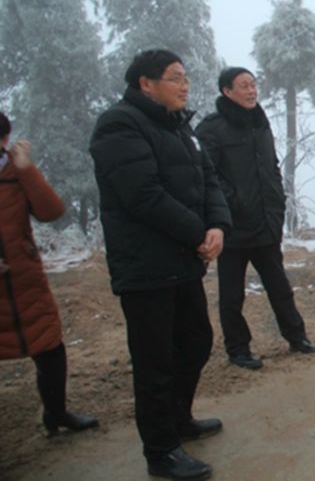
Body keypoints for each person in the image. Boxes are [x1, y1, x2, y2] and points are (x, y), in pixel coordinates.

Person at [90, 50, 232, 480]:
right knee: (155, 361)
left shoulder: (178, 126)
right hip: (145, 265)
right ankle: (161, 451)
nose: (185, 85)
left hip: (182, 259)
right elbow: (143, 195)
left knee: (196, 341)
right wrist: (198, 233)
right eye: (175, 78)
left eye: (186, 77)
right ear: (146, 84)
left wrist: (217, 226)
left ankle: (178, 420)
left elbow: (208, 179)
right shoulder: (119, 125)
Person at [195, 67, 315, 370]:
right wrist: (233, 204)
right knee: (232, 294)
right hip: (233, 225)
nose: (252, 91)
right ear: (227, 91)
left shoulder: (259, 122)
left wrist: (277, 202)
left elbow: (271, 166)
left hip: (265, 221)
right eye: (244, 86)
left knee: (279, 286)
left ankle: (296, 337)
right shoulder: (212, 128)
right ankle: (238, 349)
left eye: (253, 85)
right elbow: (206, 175)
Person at [0, 112, 98, 436]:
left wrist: (26, 169)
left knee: (50, 348)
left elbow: (51, 211)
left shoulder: (14, 173)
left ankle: (56, 414)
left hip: (23, 281)